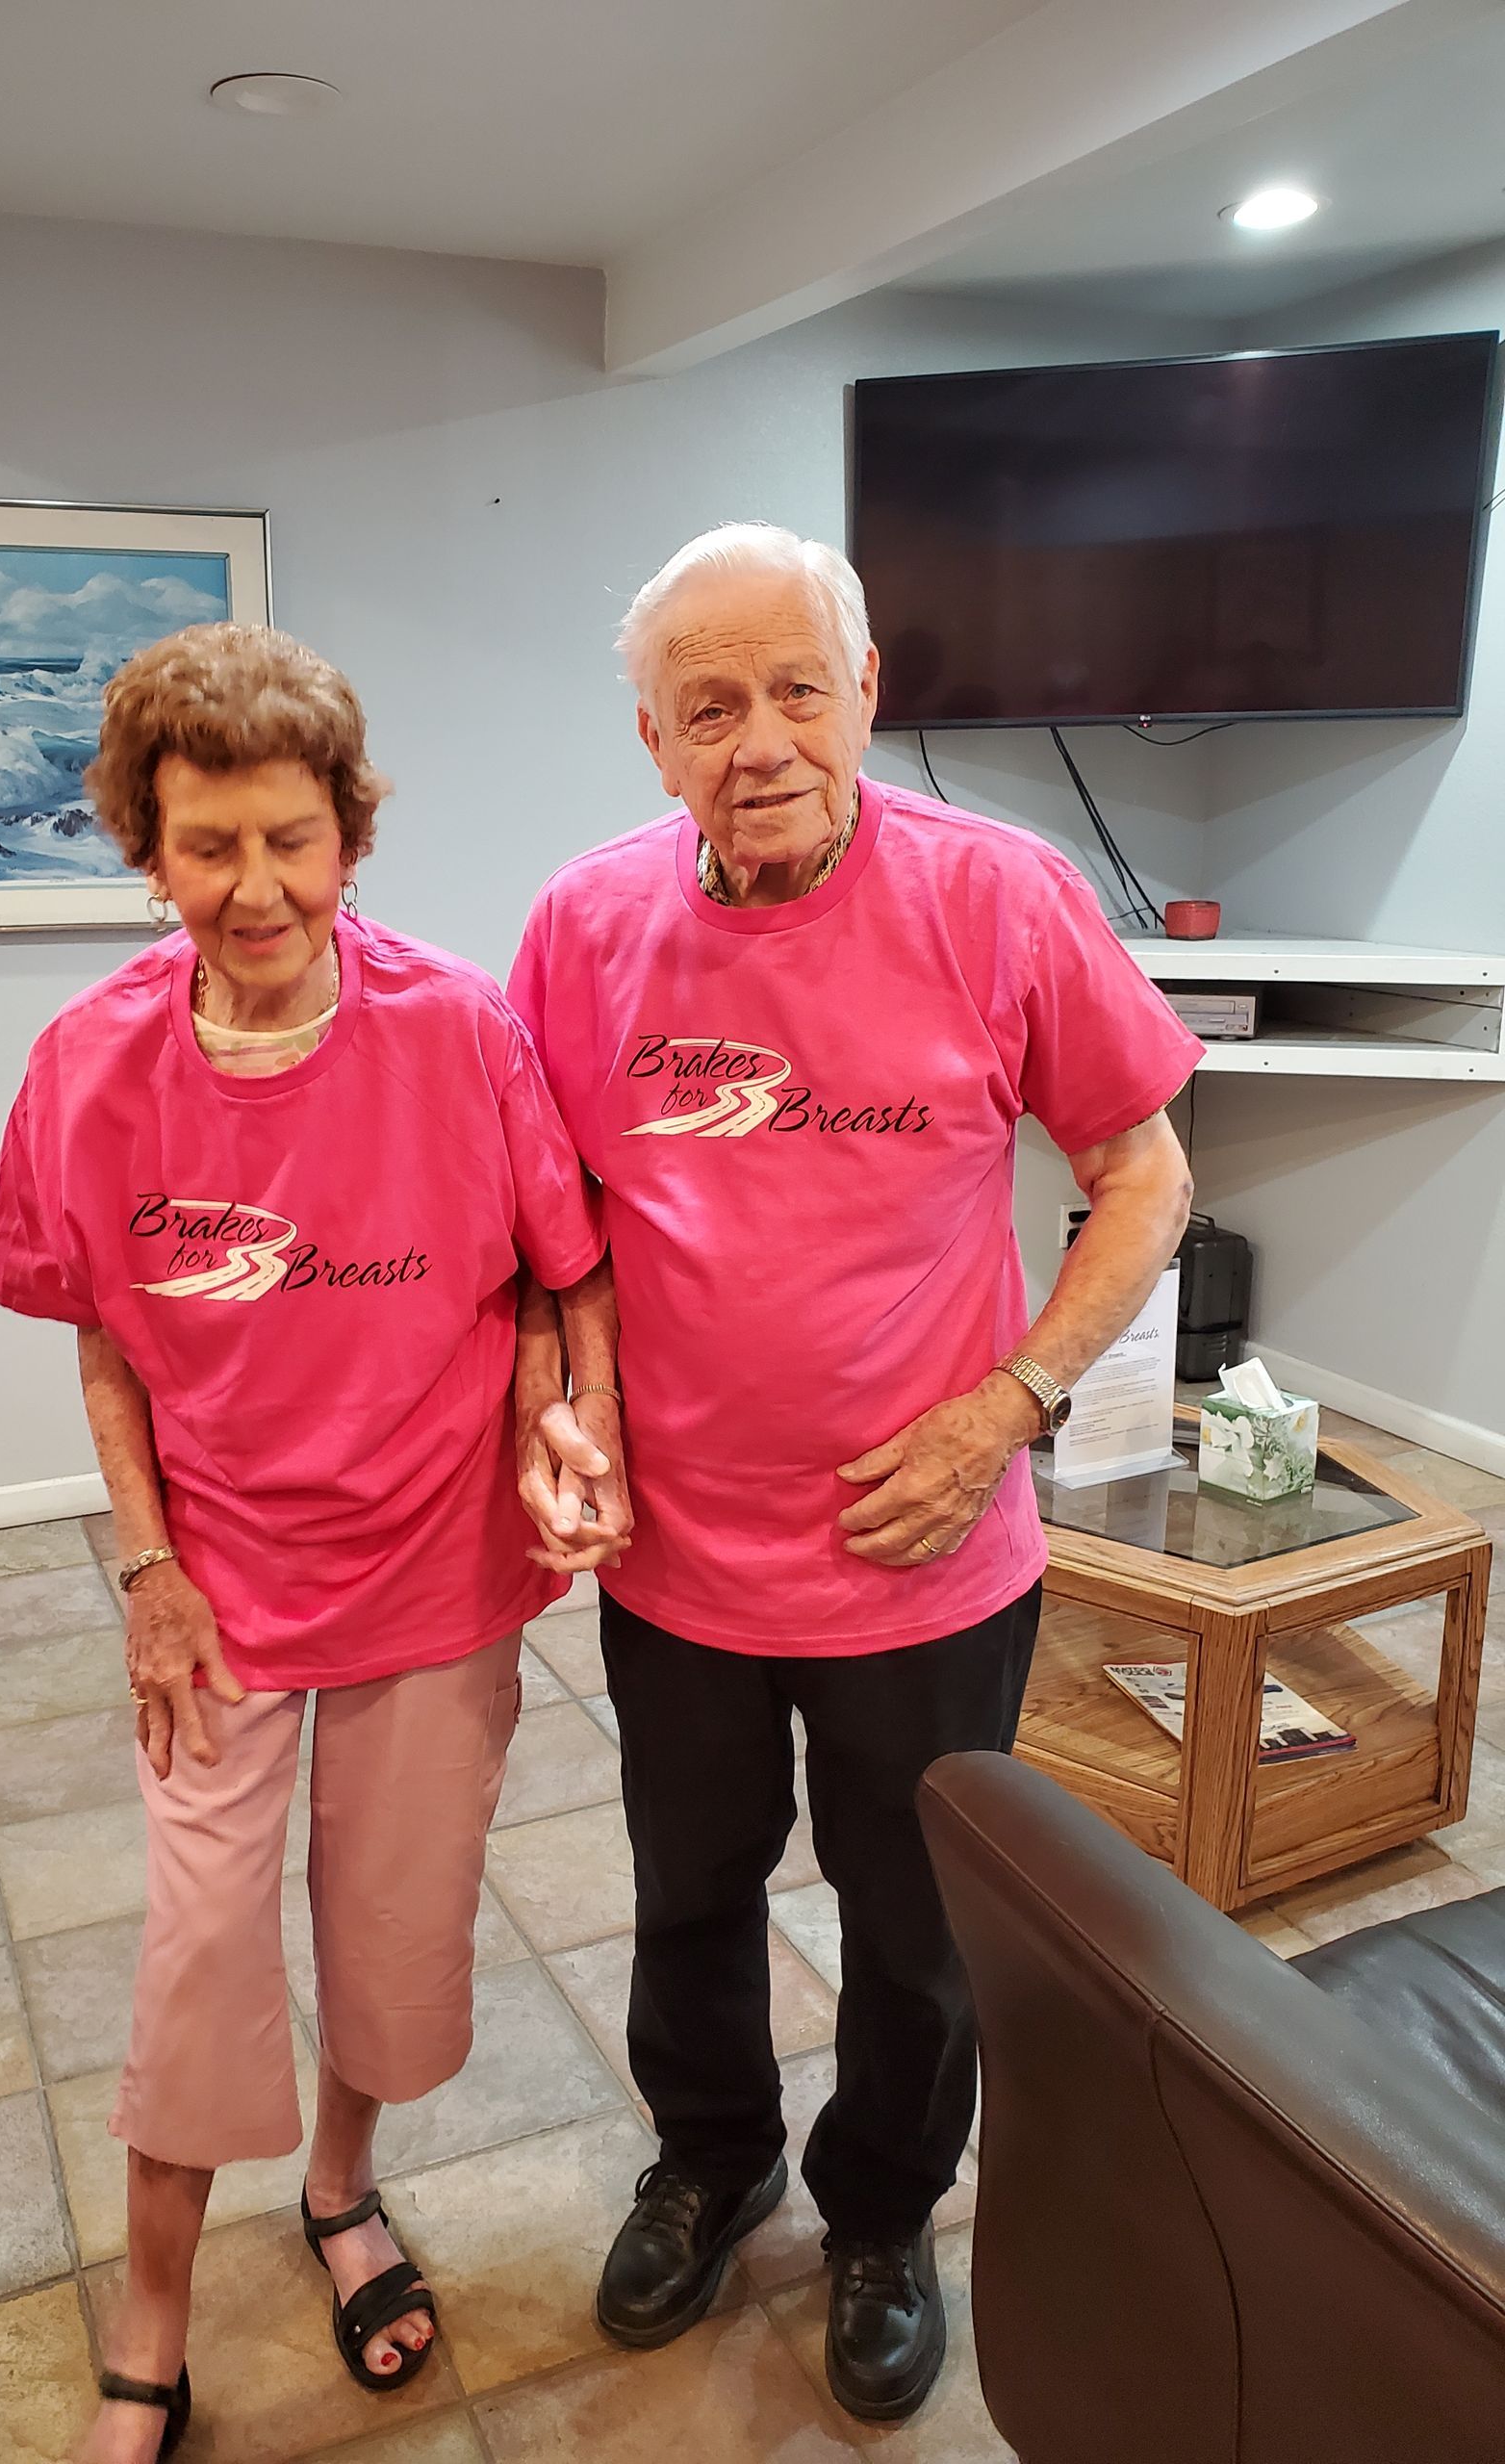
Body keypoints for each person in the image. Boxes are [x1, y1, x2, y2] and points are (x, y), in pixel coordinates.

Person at [508, 524, 1201, 2424]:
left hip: (930, 1557)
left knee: (914, 1923)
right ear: (652, 736)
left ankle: (883, 2212)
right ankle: (715, 2153)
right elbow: (547, 1226)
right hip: (678, 1564)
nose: (762, 738)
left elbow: (1147, 1174)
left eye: (800, 688)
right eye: (710, 704)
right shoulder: (581, 927)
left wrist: (1017, 1403)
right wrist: (558, 1402)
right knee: (688, 1894)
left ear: (867, 693)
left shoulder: (1003, 896)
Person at [0, 624, 612, 2463]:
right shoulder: (89, 1068)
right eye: (209, 847)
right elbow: (104, 1331)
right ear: (145, 853)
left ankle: (342, 2194)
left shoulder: (461, 1030)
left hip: (435, 1575)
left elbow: (561, 1278)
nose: (258, 889)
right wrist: (147, 1571)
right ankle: (153, 2313)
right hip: (225, 1586)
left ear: (351, 837)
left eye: (292, 841)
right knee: (199, 1958)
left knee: (393, 1934)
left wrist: (560, 1423)